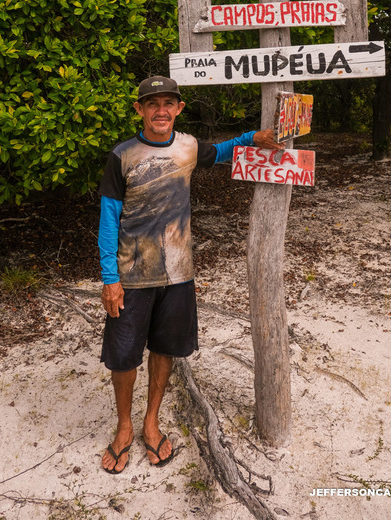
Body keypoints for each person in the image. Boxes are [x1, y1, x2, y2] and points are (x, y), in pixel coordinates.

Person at [97, 76, 281, 474]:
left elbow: (223, 151)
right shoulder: (122, 156)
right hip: (131, 277)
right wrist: (109, 279)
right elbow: (108, 219)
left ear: (179, 108)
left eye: (168, 103)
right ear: (139, 110)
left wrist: (254, 137)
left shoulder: (188, 147)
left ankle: (151, 422)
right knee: (124, 357)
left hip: (178, 275)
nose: (160, 110)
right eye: (152, 103)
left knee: (165, 348)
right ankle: (124, 426)